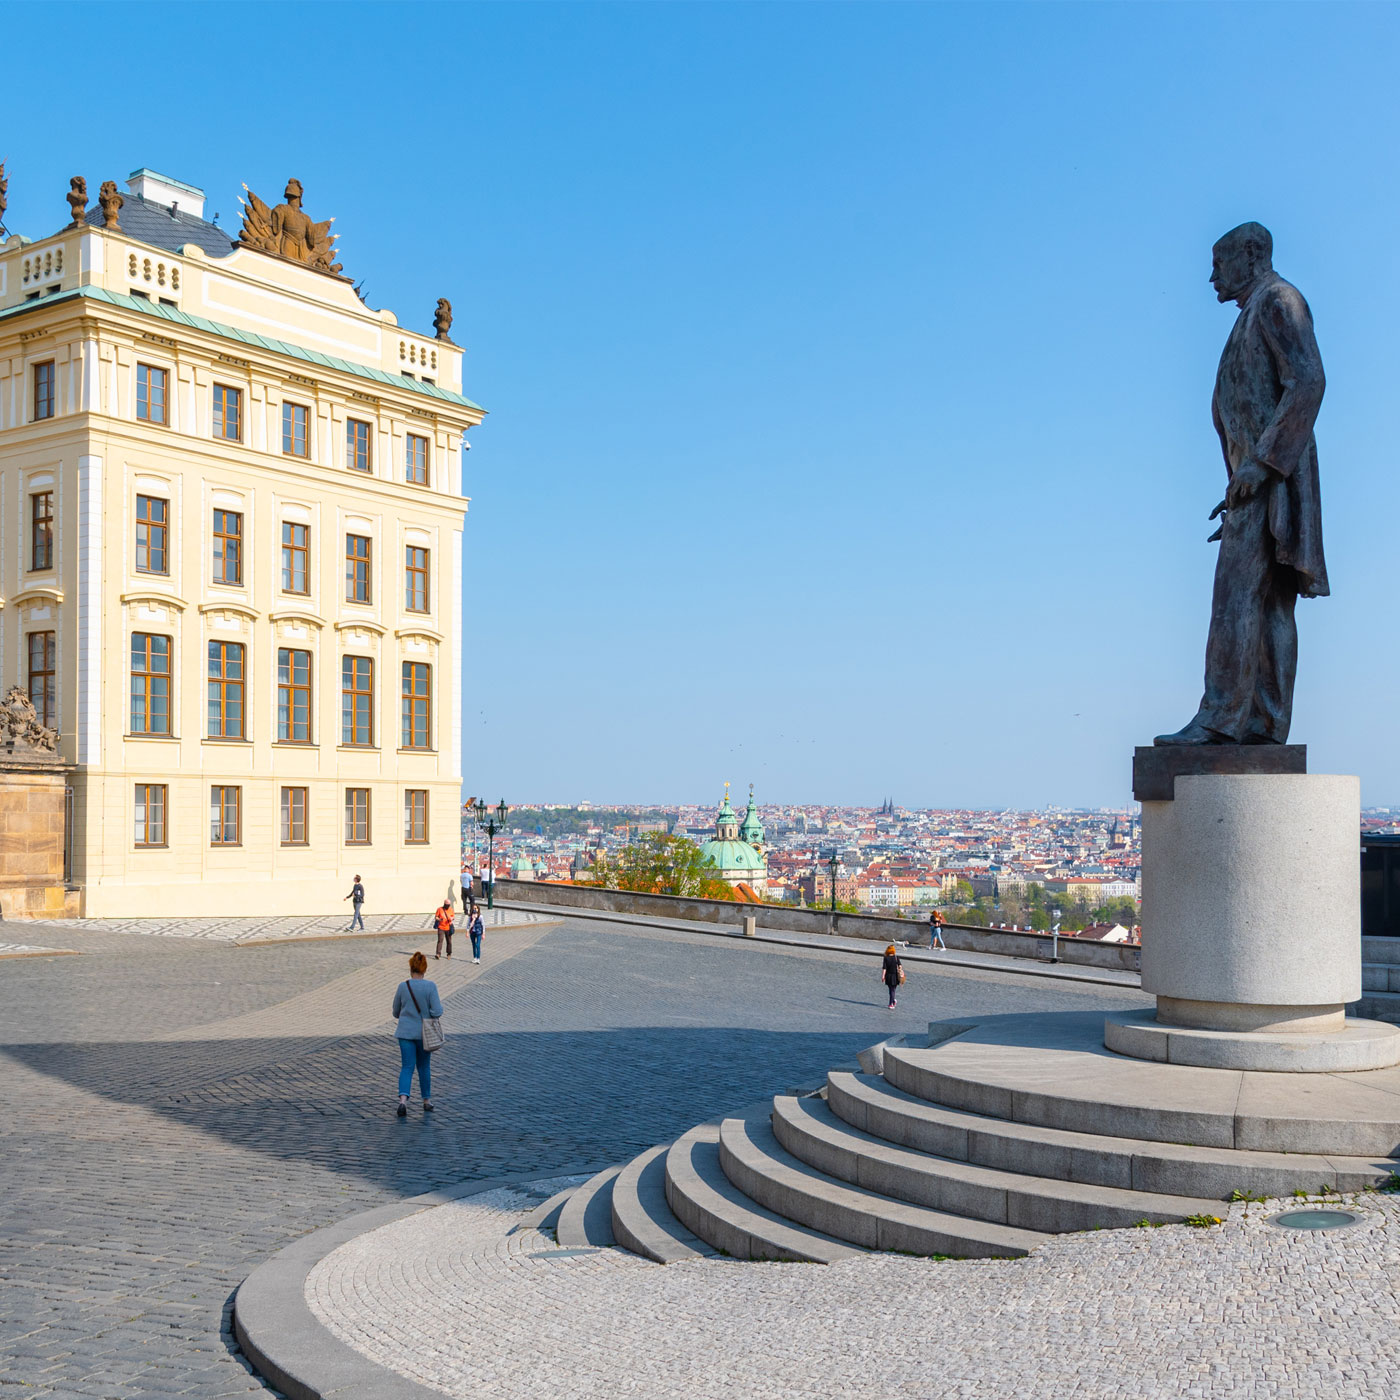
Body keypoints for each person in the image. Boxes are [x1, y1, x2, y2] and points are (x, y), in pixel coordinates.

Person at [392, 951, 442, 1117]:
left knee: (407, 1067)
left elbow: (395, 1011)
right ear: (424, 969)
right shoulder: (430, 986)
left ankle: (403, 1101)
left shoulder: (402, 986)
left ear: (411, 968)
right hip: (423, 1034)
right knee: (423, 1066)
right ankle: (426, 1101)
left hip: (405, 1033)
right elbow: (437, 1011)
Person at [880, 944, 904, 1010]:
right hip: (895, 976)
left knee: (891, 990)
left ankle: (891, 1004)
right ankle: (893, 1001)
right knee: (893, 990)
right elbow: (900, 966)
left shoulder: (886, 958)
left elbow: (884, 968)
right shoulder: (896, 957)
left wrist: (883, 976)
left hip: (888, 976)